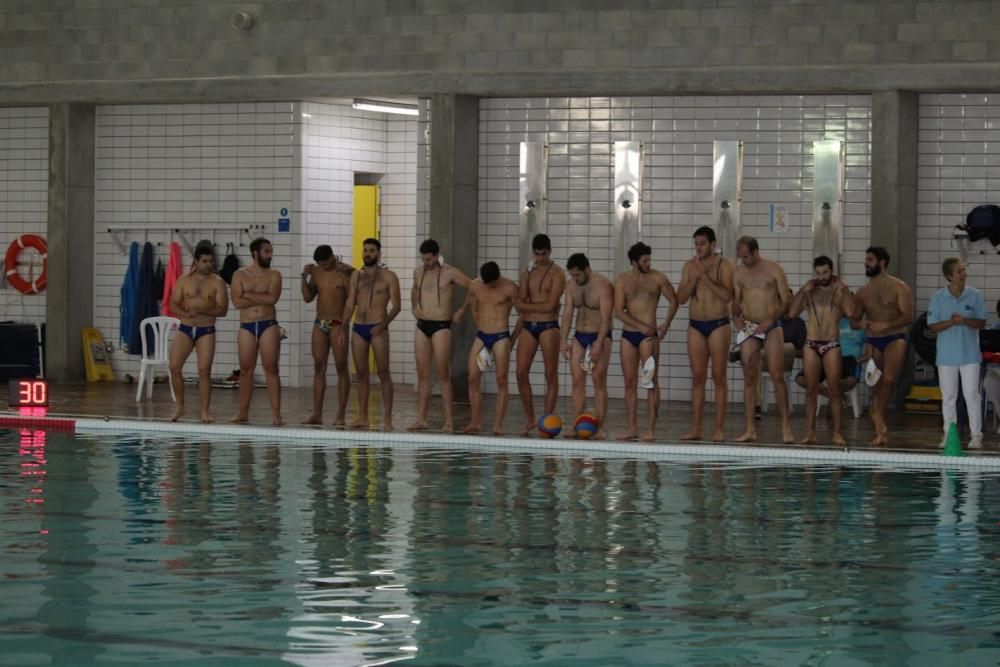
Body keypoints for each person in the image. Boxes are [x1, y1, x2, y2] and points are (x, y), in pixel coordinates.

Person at [613, 242, 679, 441]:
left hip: (649, 337)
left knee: (650, 382)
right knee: (629, 383)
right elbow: (618, 312)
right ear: (634, 262)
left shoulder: (658, 278)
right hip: (629, 336)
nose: (648, 263)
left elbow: (674, 301)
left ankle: (650, 429)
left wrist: (666, 323)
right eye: (644, 260)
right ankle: (632, 428)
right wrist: (639, 325)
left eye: (649, 259)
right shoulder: (622, 280)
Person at [788, 256, 857, 445]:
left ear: (832, 271)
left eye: (825, 272)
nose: (822, 276)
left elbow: (851, 313)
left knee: (834, 391)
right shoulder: (810, 291)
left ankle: (837, 433)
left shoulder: (839, 291)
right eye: (818, 273)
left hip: (831, 344)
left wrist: (844, 289)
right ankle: (810, 433)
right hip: (811, 344)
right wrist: (803, 290)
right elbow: (792, 313)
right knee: (810, 390)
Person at [676, 226, 735, 442]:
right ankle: (696, 429)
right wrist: (695, 277)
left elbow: (727, 295)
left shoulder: (725, 265)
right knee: (698, 378)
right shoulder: (690, 267)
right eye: (696, 244)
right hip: (696, 326)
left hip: (718, 324)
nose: (698, 247)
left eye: (702, 243)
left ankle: (718, 429)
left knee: (719, 377)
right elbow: (681, 298)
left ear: (713, 244)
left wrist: (706, 277)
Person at [731, 236, 793, 443]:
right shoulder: (738, 273)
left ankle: (786, 426)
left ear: (756, 252)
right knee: (749, 378)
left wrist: (770, 320)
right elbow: (735, 302)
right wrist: (736, 318)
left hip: (772, 327)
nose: (743, 261)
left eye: (747, 257)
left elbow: (786, 301)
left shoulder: (774, 270)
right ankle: (750, 428)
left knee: (776, 375)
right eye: (741, 257)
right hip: (750, 328)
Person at [852, 246, 914, 446]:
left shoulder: (899, 287)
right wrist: (860, 323)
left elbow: (908, 316)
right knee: (875, 384)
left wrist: (885, 324)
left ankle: (878, 414)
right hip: (873, 341)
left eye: (869, 260)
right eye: (865, 259)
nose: (866, 263)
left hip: (895, 337)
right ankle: (880, 430)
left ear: (882, 263)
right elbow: (854, 320)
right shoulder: (862, 293)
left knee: (888, 379)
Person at [409, 239, 471, 433]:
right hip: (422, 326)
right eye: (423, 259)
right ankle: (421, 419)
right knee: (423, 375)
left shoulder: (449, 272)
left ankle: (449, 421)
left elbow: (473, 286)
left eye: (428, 259)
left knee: (444, 374)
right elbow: (414, 290)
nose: (425, 263)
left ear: (436, 256)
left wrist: (461, 310)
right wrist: (414, 308)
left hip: (442, 326)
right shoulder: (418, 272)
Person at [453, 261, 519, 435]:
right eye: (486, 283)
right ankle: (475, 422)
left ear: (498, 277)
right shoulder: (476, 286)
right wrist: (478, 324)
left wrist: (513, 339)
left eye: (492, 284)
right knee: (473, 378)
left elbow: (523, 316)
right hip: (482, 336)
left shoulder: (510, 288)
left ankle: (498, 425)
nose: (489, 286)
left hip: (501, 337)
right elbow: (473, 308)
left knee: (501, 380)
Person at [342, 238, 401, 431]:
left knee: (384, 372)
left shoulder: (389, 277)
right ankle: (363, 417)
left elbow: (397, 306)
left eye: (372, 251)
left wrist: (383, 325)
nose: (368, 254)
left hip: (378, 328)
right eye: (365, 250)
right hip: (358, 327)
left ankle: (387, 418)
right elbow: (350, 303)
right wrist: (344, 327)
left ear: (379, 253)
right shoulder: (356, 277)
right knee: (361, 374)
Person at [167, 240, 229, 423]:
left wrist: (202, 310)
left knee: (204, 371)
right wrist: (185, 313)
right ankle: (180, 406)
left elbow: (222, 310)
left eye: (211, 261)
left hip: (206, 330)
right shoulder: (184, 281)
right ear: (196, 261)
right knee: (174, 367)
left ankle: (204, 411)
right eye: (205, 261)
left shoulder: (217, 283)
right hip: (186, 328)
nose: (209, 265)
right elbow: (173, 304)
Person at [927, 257, 986, 449]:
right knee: (949, 397)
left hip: (970, 355)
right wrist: (952, 322)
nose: (964, 274)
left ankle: (976, 436)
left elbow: (982, 323)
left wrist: (965, 321)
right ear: (949, 276)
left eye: (963, 270)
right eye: (959, 271)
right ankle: (948, 434)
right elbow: (933, 326)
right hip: (946, 356)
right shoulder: (938, 298)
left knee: (972, 395)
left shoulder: (975, 295)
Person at [515, 234, 566, 435]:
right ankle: (529, 419)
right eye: (537, 254)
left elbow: (551, 305)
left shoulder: (558, 274)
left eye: (544, 254)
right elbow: (518, 302)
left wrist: (527, 306)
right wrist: (533, 307)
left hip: (549, 327)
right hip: (529, 326)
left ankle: (547, 419)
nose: (540, 258)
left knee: (550, 373)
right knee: (520, 372)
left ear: (550, 251)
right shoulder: (527, 272)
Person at [230, 237, 284, 426]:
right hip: (246, 326)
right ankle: (242, 412)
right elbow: (237, 302)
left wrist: (248, 294)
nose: (270, 255)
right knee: (246, 370)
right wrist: (260, 297)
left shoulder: (274, 275)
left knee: (271, 368)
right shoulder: (239, 275)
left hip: (268, 324)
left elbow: (272, 299)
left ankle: (277, 414)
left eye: (271, 251)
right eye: (266, 252)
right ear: (255, 253)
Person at [560, 253, 614, 439]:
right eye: (572, 275)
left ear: (587, 269)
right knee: (577, 382)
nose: (574, 279)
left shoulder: (603, 285)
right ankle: (577, 423)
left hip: (599, 335)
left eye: (577, 275)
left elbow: (607, 318)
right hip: (579, 337)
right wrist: (563, 340)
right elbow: (567, 314)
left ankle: (600, 427)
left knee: (598, 381)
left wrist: (599, 343)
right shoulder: (571, 286)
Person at [301, 245, 355, 426]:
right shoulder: (316, 272)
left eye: (325, 263)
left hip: (338, 323)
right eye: (320, 264)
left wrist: (344, 325)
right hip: (320, 323)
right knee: (318, 366)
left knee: (341, 367)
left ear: (332, 257)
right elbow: (308, 298)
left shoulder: (344, 272)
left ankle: (340, 415)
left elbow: (351, 301)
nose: (323, 267)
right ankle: (317, 414)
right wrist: (304, 277)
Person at [795, 316, 865, 405]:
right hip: (827, 357)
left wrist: (863, 358)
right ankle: (837, 397)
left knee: (849, 381)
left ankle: (835, 399)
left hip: (849, 359)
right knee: (802, 379)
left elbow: (871, 344)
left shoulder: (860, 324)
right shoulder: (830, 322)